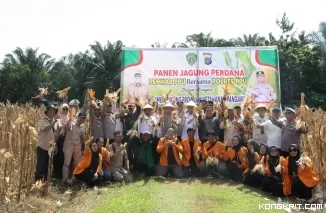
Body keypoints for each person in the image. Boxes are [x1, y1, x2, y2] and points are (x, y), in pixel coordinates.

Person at [35, 103, 58, 182]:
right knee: (40, 166)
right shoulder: (42, 121)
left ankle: (44, 182)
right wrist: (54, 123)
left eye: (54, 111)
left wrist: (55, 146)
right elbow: (45, 128)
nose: (52, 113)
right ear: (47, 112)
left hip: (49, 148)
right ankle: (37, 182)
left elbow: (52, 135)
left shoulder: (51, 121)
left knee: (46, 166)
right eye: (51, 111)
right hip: (42, 147)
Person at [62, 112, 86, 183]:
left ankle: (75, 178)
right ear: (77, 117)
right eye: (80, 117)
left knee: (77, 163)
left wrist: (83, 146)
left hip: (78, 146)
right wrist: (70, 119)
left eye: (83, 118)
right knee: (66, 163)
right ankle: (65, 180)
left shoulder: (82, 127)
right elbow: (65, 127)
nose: (81, 119)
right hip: (69, 145)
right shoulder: (71, 123)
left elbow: (82, 138)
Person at [53, 103, 70, 179]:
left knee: (65, 157)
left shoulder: (70, 118)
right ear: (61, 110)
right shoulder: (58, 119)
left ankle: (65, 175)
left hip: (67, 140)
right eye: (64, 109)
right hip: (59, 139)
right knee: (58, 156)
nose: (65, 110)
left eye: (67, 109)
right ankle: (57, 174)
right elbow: (57, 128)